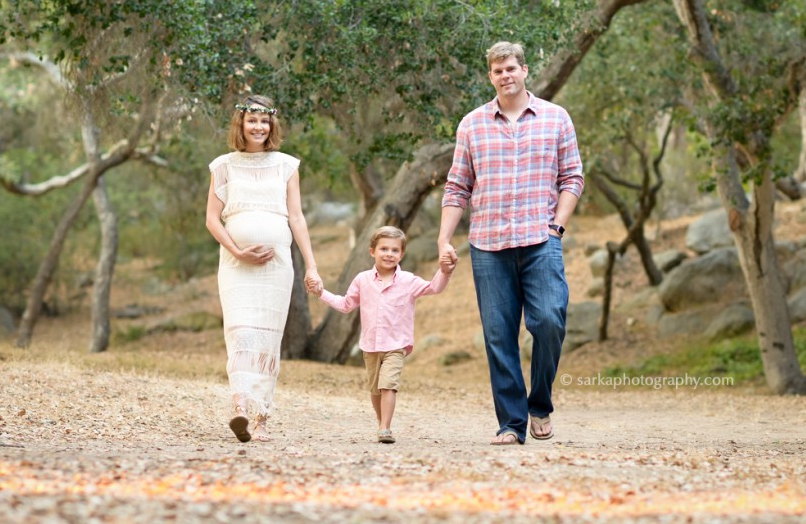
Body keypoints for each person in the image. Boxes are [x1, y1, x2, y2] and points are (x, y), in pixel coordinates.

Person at [437, 41, 584, 446]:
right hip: (488, 244)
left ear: (524, 70)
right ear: (491, 76)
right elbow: (457, 186)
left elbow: (572, 177)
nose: (505, 75)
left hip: (542, 238)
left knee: (550, 321)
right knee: (499, 335)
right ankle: (511, 424)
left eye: (511, 68)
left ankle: (540, 402)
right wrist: (443, 238)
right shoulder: (472, 124)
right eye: (498, 70)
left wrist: (557, 226)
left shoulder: (556, 118)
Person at [206, 95, 323, 443]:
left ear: (272, 125)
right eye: (252, 121)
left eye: (264, 121)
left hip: (277, 267)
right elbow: (212, 219)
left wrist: (312, 265)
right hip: (235, 265)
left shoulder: (286, 165)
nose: (258, 127)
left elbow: (297, 217)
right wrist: (238, 251)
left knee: (268, 341)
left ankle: (261, 420)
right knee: (240, 335)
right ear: (240, 124)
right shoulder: (223, 166)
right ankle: (239, 408)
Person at [306, 226, 454, 444]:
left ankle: (385, 427)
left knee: (388, 385)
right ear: (372, 251)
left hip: (396, 344)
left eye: (395, 250)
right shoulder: (362, 279)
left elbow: (434, 288)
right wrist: (321, 293)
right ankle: (381, 422)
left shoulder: (408, 281)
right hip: (370, 345)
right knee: (375, 390)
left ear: (401, 254)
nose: (389, 254)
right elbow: (346, 305)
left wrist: (444, 271)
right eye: (384, 249)